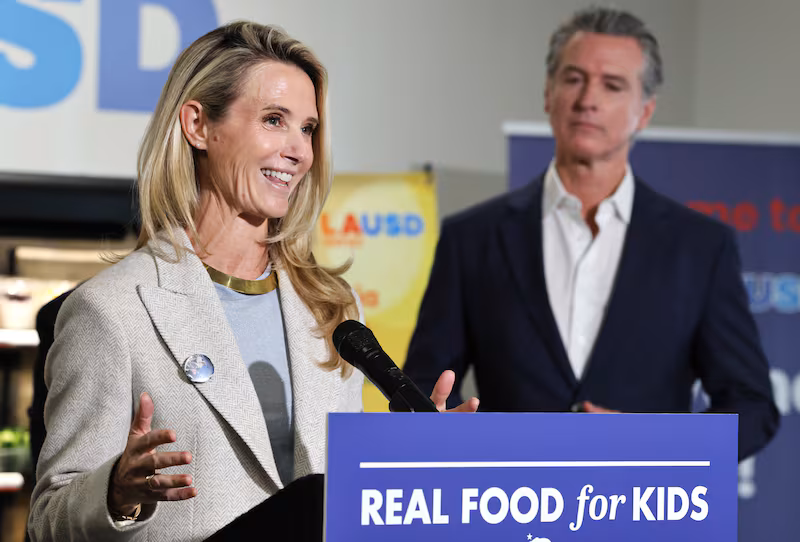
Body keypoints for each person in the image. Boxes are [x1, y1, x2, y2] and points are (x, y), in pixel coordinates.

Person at [28, 22, 474, 542]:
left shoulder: (332, 309)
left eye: (307, 128)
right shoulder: (112, 310)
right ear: (198, 125)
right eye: (274, 120)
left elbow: (333, 502)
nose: (299, 151)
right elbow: (47, 523)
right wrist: (116, 493)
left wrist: (410, 462)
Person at [404, 6, 779, 461]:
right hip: (509, 510)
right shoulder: (472, 237)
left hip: (645, 514)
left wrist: (652, 442)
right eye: (573, 78)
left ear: (645, 111)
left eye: (613, 85)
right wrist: (433, 427)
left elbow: (752, 406)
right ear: (548, 92)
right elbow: (423, 389)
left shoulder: (700, 246)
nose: (588, 99)